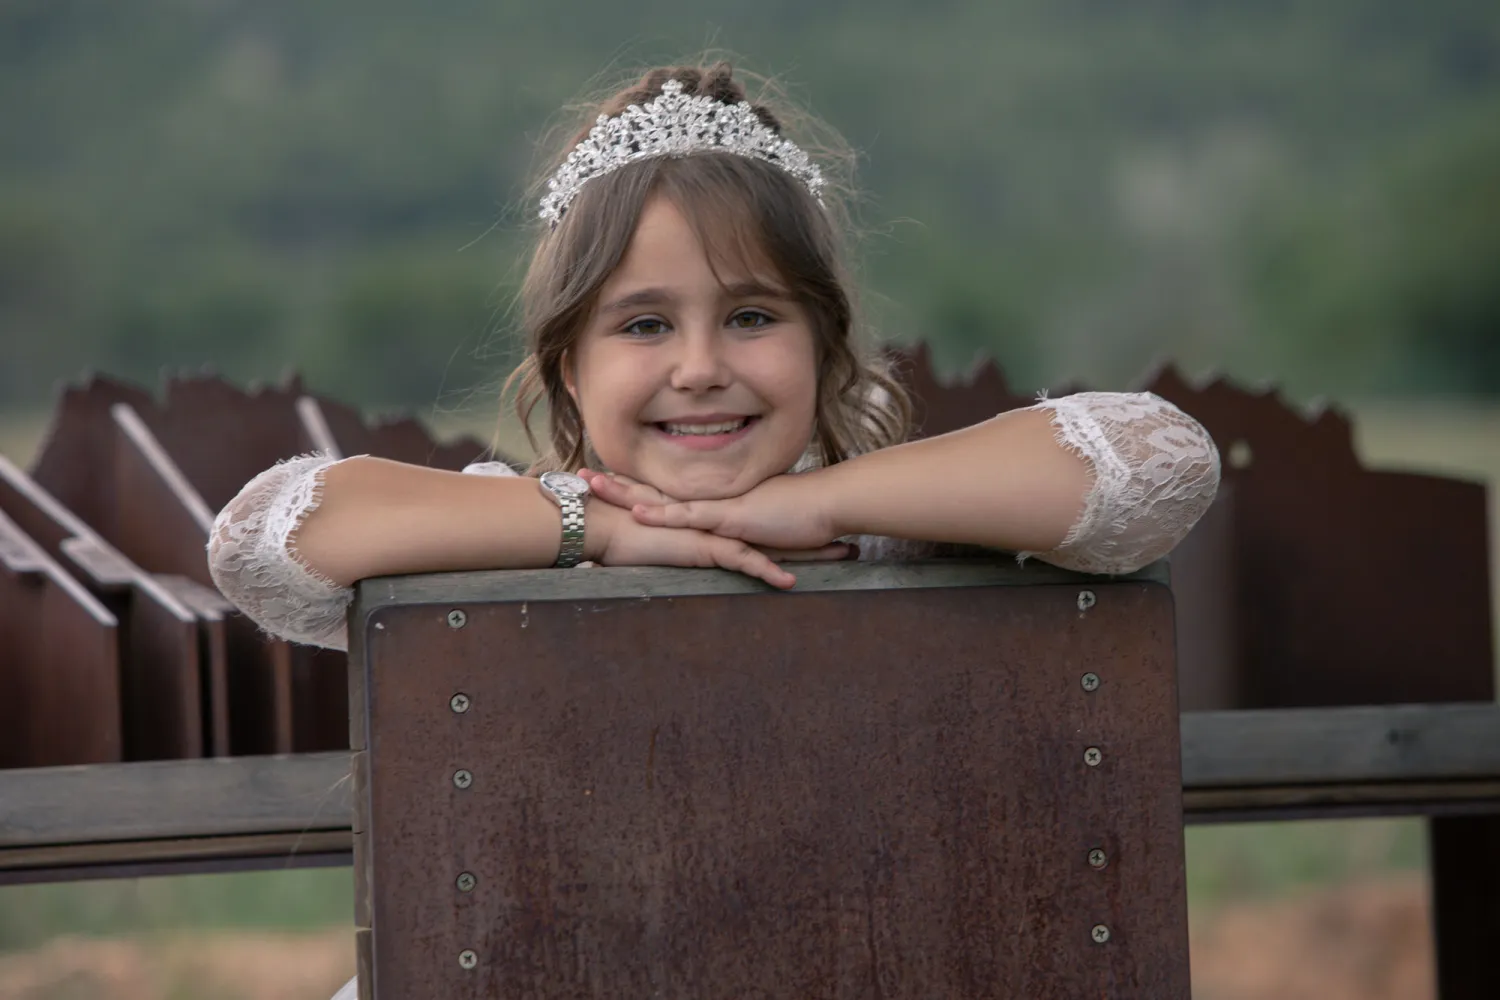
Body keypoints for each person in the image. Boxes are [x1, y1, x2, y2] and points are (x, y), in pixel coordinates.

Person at [207, 61, 1219, 1000]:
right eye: (645, 324)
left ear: (825, 349)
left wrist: (823, 501)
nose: (699, 366)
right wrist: (593, 527)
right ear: (570, 367)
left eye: (750, 317)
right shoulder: (510, 536)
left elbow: (1161, 463)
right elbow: (261, 543)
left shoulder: (892, 535)